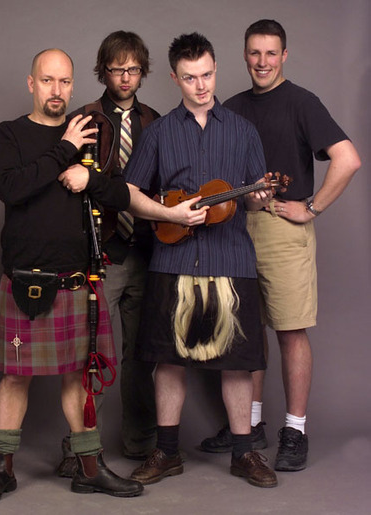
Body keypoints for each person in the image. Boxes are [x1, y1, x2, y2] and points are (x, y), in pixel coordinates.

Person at [0, 48, 143, 502]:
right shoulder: (9, 134)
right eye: (47, 80)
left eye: (65, 81)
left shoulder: (89, 134)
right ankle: (2, 470)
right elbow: (11, 188)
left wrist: (91, 177)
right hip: (25, 280)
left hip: (76, 280)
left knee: (79, 377)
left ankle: (90, 469)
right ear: (31, 83)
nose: (56, 90)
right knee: (15, 377)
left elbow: (113, 192)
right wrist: (65, 148)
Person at [199, 19, 361, 472]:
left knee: (289, 330)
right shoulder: (231, 107)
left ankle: (295, 430)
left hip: (282, 229)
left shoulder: (302, 103)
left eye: (271, 53)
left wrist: (311, 207)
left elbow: (348, 159)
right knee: (245, 331)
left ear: (284, 55)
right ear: (244, 54)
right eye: (255, 52)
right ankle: (250, 426)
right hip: (234, 226)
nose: (262, 61)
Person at [124, 32, 278, 488]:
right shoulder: (158, 133)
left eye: (207, 75)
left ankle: (244, 453)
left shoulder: (243, 131)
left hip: (231, 259)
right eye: (190, 78)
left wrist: (260, 197)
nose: (201, 85)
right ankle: (167, 452)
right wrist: (169, 214)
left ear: (215, 70)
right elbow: (129, 194)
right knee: (168, 361)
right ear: (175, 78)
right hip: (173, 260)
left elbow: (253, 200)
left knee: (237, 362)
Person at [57, 31, 159, 477]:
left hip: (148, 251)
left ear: (143, 71)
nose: (125, 77)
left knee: (142, 354)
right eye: (117, 69)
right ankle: (80, 446)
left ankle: (142, 443)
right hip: (103, 254)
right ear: (104, 71)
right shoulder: (85, 118)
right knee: (92, 354)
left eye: (133, 69)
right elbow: (68, 182)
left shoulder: (155, 120)